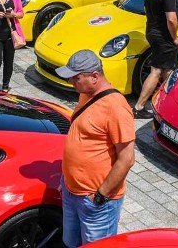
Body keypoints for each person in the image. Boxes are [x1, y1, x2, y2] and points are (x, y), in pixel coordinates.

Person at [56, 49, 135, 247]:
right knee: (70, 242)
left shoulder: (116, 107)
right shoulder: (86, 93)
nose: (71, 83)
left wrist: (100, 196)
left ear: (94, 76)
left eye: (76, 78)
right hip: (71, 191)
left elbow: (127, 158)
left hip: (95, 200)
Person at [134, 0, 178, 118]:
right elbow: (171, 20)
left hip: (151, 31)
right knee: (157, 70)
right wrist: (174, 38)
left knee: (168, 69)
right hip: (163, 36)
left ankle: (168, 103)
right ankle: (139, 107)